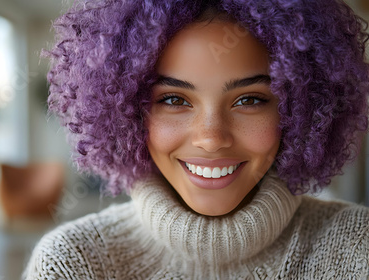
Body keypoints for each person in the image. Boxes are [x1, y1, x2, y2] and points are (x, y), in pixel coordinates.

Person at [24, 0, 369, 278]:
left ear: (301, 109)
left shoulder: (358, 249)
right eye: (174, 100)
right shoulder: (73, 263)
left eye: (250, 100)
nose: (211, 138)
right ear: (126, 113)